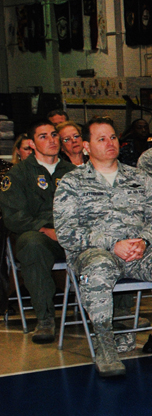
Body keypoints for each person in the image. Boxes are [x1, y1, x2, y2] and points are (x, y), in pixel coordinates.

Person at [54, 117, 152, 377]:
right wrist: (113, 244)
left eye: (113, 137)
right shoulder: (72, 183)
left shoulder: (139, 177)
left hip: (143, 252)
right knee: (98, 268)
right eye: (101, 139)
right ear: (86, 146)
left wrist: (144, 241)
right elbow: (67, 232)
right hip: (98, 254)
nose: (110, 143)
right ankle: (106, 347)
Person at [0, 120, 77, 343]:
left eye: (54, 135)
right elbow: (13, 216)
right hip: (41, 238)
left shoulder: (73, 172)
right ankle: (45, 318)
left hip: (73, 234)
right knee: (32, 244)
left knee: (108, 238)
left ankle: (117, 312)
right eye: (43, 136)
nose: (51, 140)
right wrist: (44, 229)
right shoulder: (18, 175)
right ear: (32, 144)